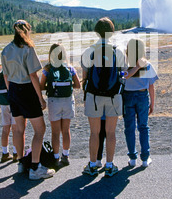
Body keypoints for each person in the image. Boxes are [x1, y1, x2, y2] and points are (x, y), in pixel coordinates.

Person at [1, 19, 55, 180]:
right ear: (27, 30)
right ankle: (35, 167)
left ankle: (21, 163)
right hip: (26, 90)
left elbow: (5, 75)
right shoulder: (28, 48)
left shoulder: (6, 50)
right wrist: (40, 98)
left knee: (18, 129)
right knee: (40, 130)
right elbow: (33, 75)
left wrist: (11, 94)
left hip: (13, 91)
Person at [81, 17, 126, 177]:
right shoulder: (118, 51)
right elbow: (123, 73)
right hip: (114, 96)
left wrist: (86, 93)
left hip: (93, 96)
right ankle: (109, 165)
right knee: (111, 132)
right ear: (112, 31)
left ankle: (93, 165)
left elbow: (84, 76)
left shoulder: (89, 51)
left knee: (94, 132)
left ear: (96, 31)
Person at [40, 43, 80, 167]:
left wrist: (52, 87)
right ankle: (66, 155)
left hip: (54, 101)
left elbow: (41, 86)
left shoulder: (47, 69)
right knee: (66, 130)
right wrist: (68, 87)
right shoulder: (69, 68)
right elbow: (78, 85)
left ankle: (56, 158)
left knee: (55, 132)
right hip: (68, 100)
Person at [123, 39, 159, 167]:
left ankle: (132, 157)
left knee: (129, 128)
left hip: (128, 96)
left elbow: (124, 77)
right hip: (142, 96)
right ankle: (145, 157)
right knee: (143, 127)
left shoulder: (125, 65)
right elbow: (151, 86)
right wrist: (152, 103)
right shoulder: (147, 65)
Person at [0, 71, 18, 163]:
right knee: (16, 130)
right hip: (14, 104)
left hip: (3, 103)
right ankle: (16, 153)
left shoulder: (0, 75)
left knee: (5, 129)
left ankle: (5, 153)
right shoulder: (13, 74)